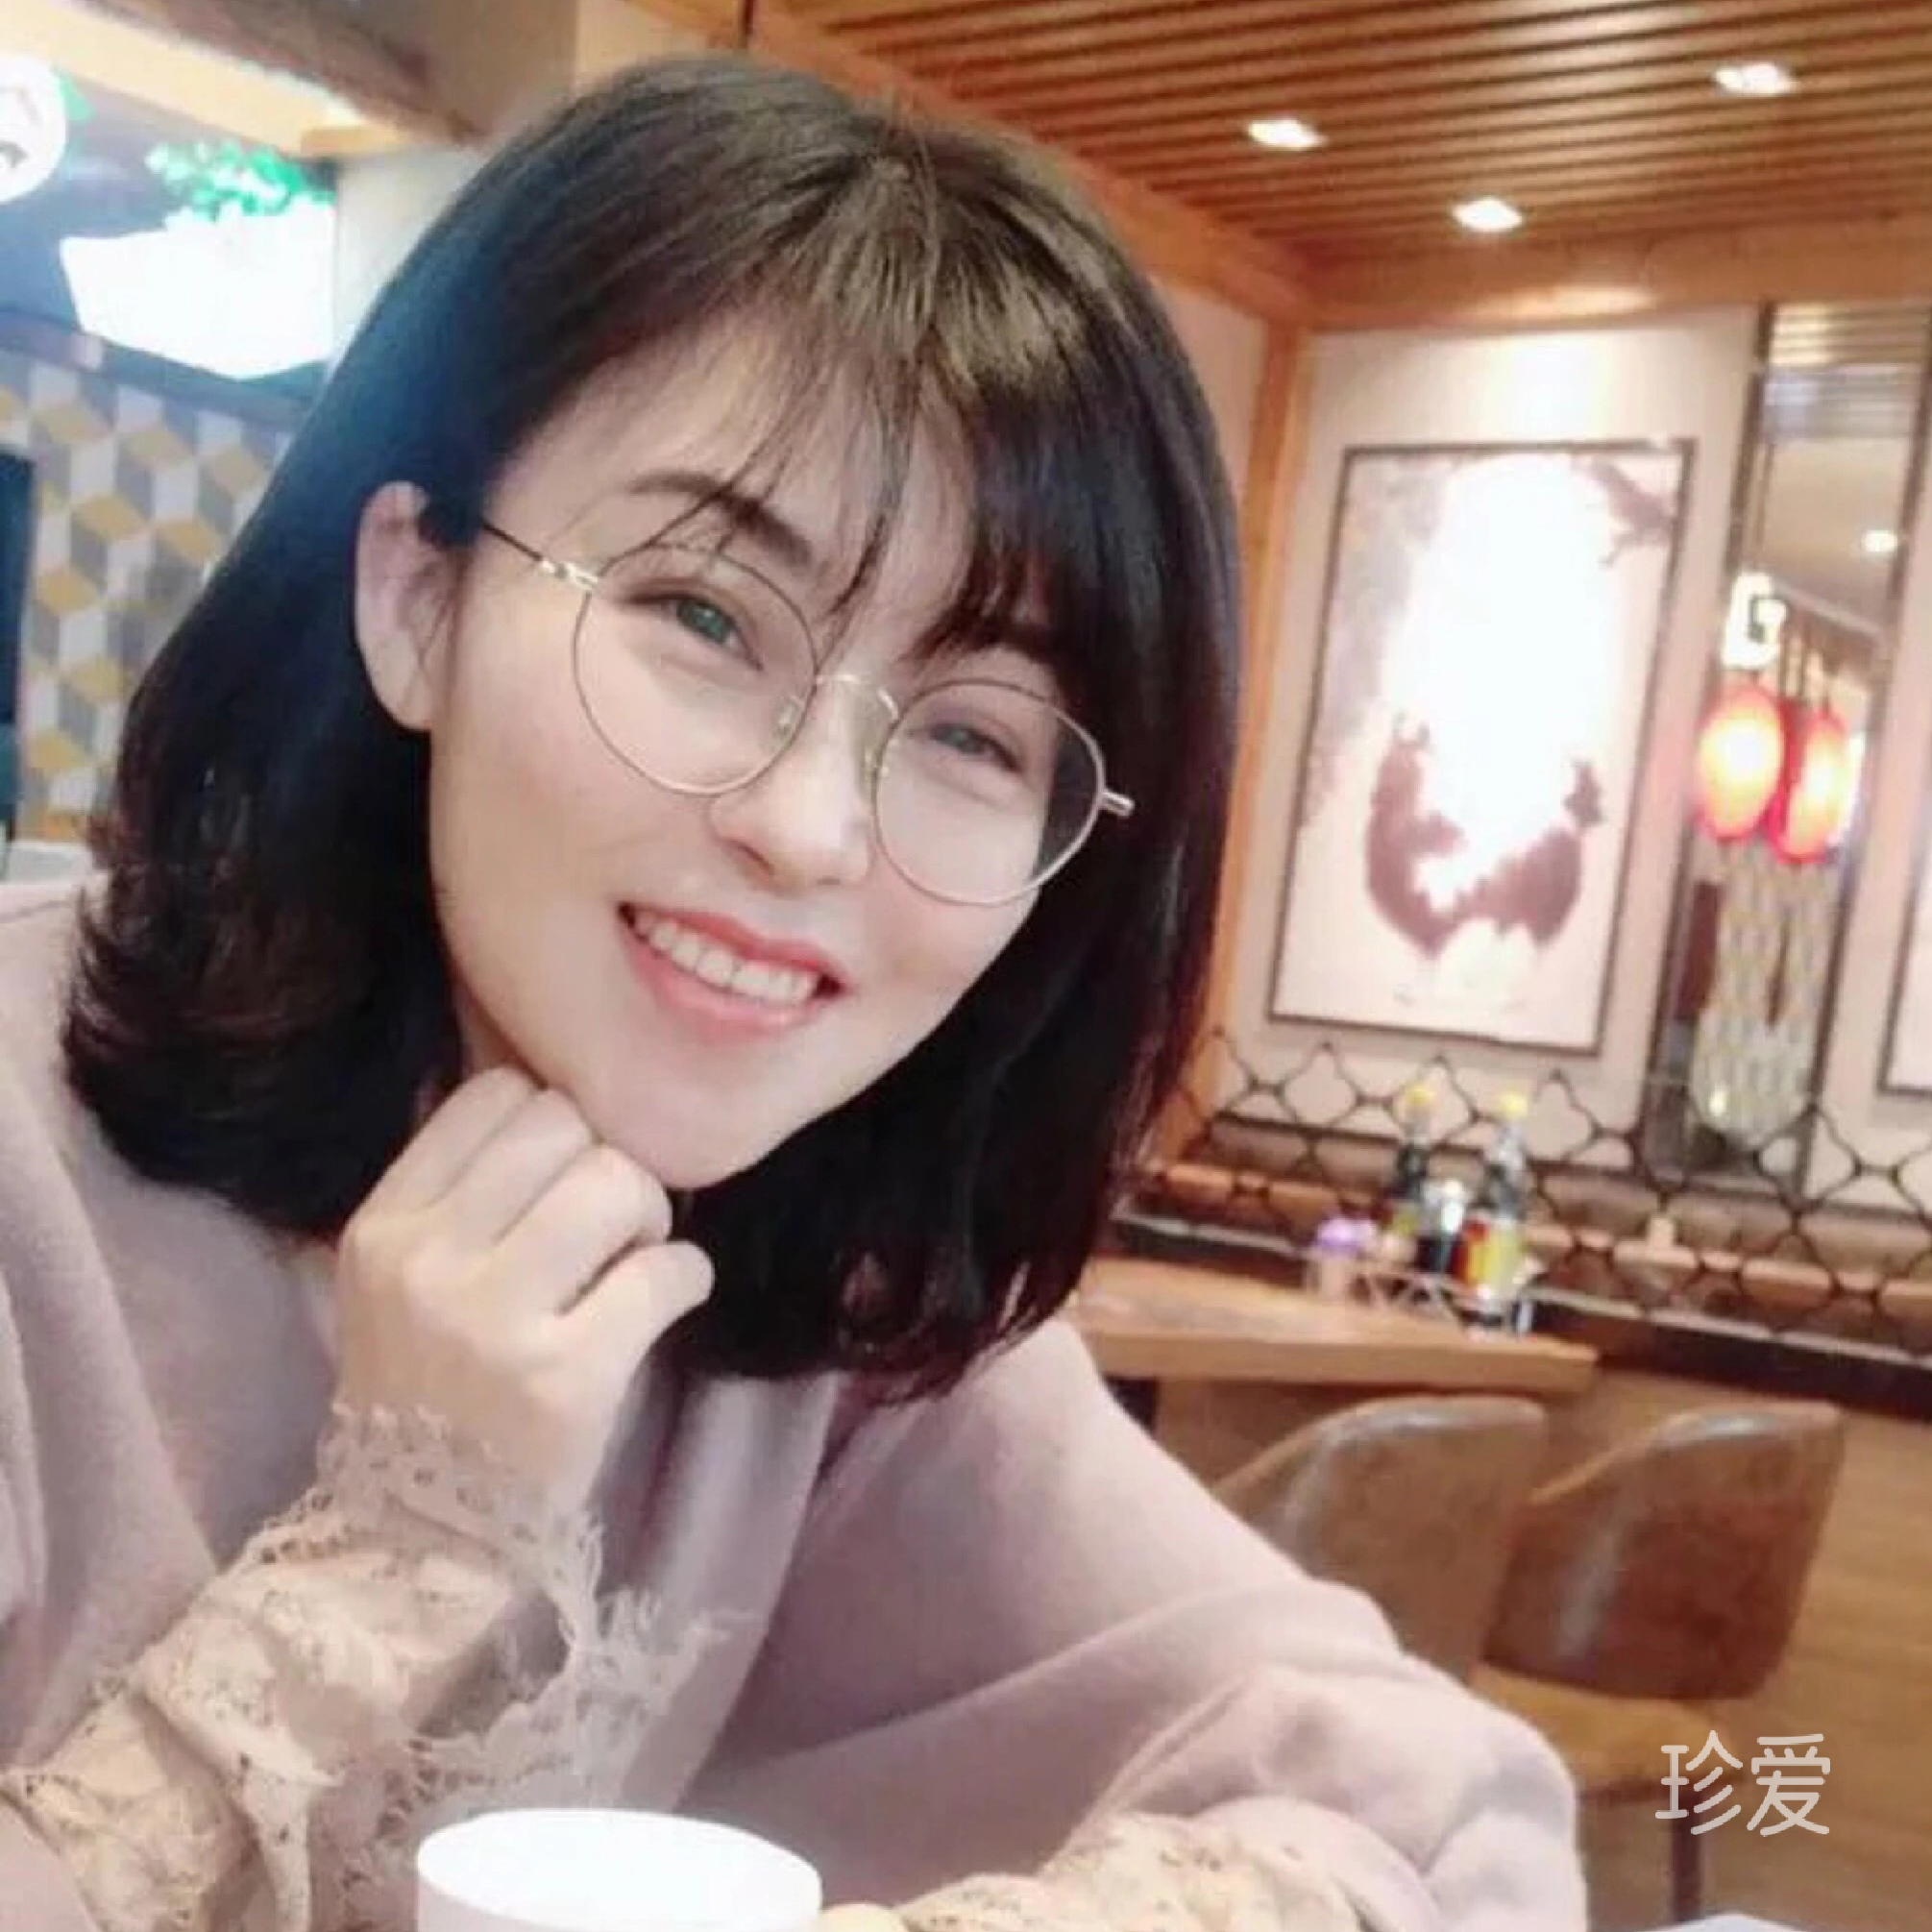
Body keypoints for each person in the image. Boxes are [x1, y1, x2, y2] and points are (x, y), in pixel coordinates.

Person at [0, 54, 1583, 1932]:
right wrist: (394, 1548)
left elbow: (1451, 1818)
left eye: (978, 736)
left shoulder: (827, 1301)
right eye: (702, 617)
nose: (808, 825)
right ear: (420, 596)